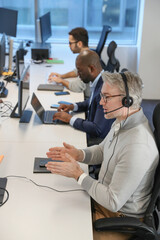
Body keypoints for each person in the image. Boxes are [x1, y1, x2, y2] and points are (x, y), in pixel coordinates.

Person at [46, 71, 159, 240]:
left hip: (119, 219)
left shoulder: (138, 145)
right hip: (102, 201)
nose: (100, 102)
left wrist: (78, 175)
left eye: (106, 97)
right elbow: (101, 150)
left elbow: (113, 200)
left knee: (59, 230)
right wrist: (78, 154)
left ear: (127, 100)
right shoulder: (123, 119)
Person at [53, 49, 114, 145]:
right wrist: (73, 106)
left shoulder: (105, 90)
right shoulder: (100, 80)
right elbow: (91, 102)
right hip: (92, 127)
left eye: (80, 71)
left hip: (98, 141)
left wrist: (69, 119)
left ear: (91, 69)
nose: (77, 74)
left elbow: (97, 129)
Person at [48, 27, 90, 98]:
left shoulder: (85, 59)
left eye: (70, 43)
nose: (69, 45)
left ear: (79, 44)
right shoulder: (87, 54)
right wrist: (61, 76)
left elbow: (78, 87)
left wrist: (61, 81)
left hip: (87, 98)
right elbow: (77, 71)